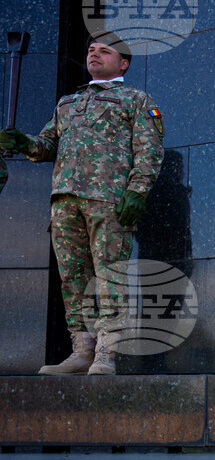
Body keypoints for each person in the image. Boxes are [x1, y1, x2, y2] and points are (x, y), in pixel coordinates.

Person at [0, 32, 163, 375]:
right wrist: (23, 142)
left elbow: (149, 150)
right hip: (65, 199)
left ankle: (107, 352)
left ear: (123, 64)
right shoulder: (67, 103)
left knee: (110, 277)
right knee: (72, 277)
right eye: (91, 50)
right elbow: (46, 146)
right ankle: (82, 349)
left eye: (104, 51)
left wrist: (137, 191)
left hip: (109, 200)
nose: (94, 54)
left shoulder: (136, 99)